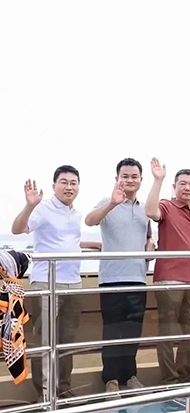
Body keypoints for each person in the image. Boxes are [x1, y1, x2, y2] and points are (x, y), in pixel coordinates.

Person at [11, 166, 101, 400]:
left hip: (74, 283)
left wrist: (94, 245)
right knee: (45, 341)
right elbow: (17, 229)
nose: (69, 187)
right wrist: (29, 205)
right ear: (54, 186)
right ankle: (45, 393)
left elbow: (66, 241)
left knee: (66, 342)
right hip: (46, 283)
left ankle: (63, 389)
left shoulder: (76, 213)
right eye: (64, 182)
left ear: (78, 187)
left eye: (73, 182)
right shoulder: (43, 208)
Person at [85, 158, 155, 396]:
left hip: (138, 278)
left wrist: (150, 245)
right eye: (125, 176)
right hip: (111, 278)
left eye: (134, 176)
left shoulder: (145, 208)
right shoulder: (107, 202)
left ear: (141, 180)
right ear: (117, 179)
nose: (130, 180)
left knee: (133, 331)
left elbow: (148, 236)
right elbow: (90, 220)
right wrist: (113, 203)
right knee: (113, 331)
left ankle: (130, 376)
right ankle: (111, 379)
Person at [144, 158, 190, 385]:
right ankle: (169, 378)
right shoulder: (166, 206)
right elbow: (150, 211)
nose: (187, 188)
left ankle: (182, 376)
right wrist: (157, 180)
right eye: (182, 183)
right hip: (168, 278)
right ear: (174, 186)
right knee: (167, 331)